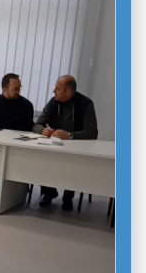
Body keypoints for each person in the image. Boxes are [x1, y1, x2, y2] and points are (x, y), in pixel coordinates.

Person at [33, 75, 98, 211]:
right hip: (53, 145)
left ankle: (68, 197)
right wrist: (43, 130)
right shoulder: (54, 102)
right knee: (39, 160)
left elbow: (92, 132)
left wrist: (70, 135)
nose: (53, 91)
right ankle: (49, 193)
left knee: (73, 166)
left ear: (68, 92)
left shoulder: (85, 104)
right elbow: (37, 124)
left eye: (57, 88)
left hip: (77, 148)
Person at [0, 73, 34, 206]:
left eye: (19, 88)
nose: (18, 91)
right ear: (4, 89)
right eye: (15, 89)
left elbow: (27, 129)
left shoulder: (26, 105)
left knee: (13, 161)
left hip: (17, 147)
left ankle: (5, 193)